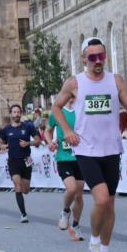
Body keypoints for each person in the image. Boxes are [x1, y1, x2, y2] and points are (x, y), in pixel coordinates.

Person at [50, 37, 127, 252]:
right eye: (93, 57)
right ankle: (93, 245)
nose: (98, 62)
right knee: (100, 200)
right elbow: (56, 108)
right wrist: (67, 131)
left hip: (111, 149)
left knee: (110, 205)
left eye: (101, 56)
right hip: (86, 150)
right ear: (84, 59)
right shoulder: (75, 83)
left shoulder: (115, 80)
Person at [46, 96, 86, 241]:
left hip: (81, 157)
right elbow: (47, 130)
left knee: (79, 196)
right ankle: (65, 211)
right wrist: (50, 143)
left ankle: (75, 225)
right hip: (64, 157)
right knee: (72, 189)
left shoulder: (82, 110)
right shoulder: (57, 112)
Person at [0, 104, 41, 222]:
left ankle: (23, 194)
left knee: (25, 190)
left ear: (21, 113)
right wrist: (2, 146)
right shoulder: (7, 129)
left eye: (18, 112)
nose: (16, 114)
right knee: (17, 185)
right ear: (11, 114)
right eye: (14, 112)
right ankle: (23, 214)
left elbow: (38, 140)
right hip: (13, 161)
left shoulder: (28, 126)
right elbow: (0, 142)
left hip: (26, 160)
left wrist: (28, 143)